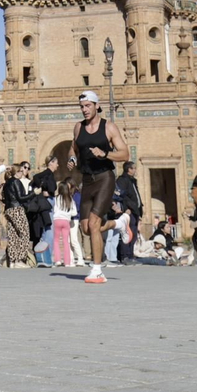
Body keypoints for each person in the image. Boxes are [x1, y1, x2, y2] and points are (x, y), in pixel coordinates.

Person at [74, 90, 131, 283]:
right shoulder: (78, 128)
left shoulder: (109, 127)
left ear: (97, 106)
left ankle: (97, 270)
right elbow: (73, 148)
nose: (84, 110)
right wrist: (72, 159)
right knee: (86, 229)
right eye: (82, 107)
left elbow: (125, 154)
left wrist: (105, 154)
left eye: (88, 106)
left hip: (105, 178)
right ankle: (119, 223)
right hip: (87, 180)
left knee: (94, 223)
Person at [0, 160, 36, 268]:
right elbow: (21, 198)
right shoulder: (16, 181)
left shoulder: (7, 183)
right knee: (24, 233)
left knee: (13, 234)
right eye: (20, 171)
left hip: (8, 209)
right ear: (16, 172)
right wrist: (34, 193)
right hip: (16, 209)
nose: (22, 173)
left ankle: (12, 261)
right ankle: (20, 259)